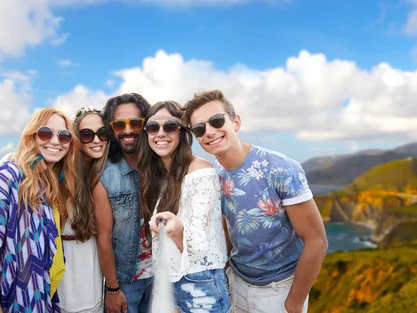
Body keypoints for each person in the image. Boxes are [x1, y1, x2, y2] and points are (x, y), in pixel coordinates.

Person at [182, 90, 329, 313]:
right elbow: (226, 222)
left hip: (280, 291)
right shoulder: (214, 174)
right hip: (236, 284)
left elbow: (316, 240)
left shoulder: (280, 168)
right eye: (200, 129)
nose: (209, 132)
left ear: (236, 122)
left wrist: (294, 302)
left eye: (216, 121)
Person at [0, 108, 78, 312]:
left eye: (64, 136)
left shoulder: (46, 187)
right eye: (45, 133)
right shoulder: (8, 176)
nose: (55, 141)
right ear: (31, 136)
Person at [138, 101, 231, 313]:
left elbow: (199, 246)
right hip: (168, 282)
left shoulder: (200, 171)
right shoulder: (158, 175)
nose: (160, 133)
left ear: (182, 132)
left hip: (200, 282)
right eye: (153, 127)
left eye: (170, 126)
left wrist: (176, 228)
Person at [93, 93, 153, 313]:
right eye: (119, 125)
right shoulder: (105, 177)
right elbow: (104, 238)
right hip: (128, 283)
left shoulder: (160, 167)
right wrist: (112, 289)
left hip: (162, 279)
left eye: (136, 123)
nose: (128, 130)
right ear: (111, 129)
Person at [57, 106, 109, 313]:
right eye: (87, 134)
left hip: (90, 263)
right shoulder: (60, 171)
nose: (96, 140)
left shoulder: (105, 172)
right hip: (64, 263)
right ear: (77, 137)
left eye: (102, 133)